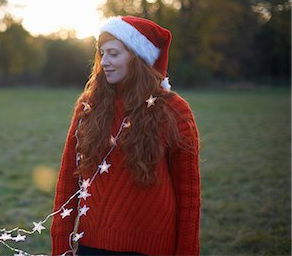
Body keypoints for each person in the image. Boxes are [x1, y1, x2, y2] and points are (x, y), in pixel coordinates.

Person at [51, 16, 201, 255]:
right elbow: (68, 182)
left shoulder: (174, 111)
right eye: (102, 54)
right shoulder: (89, 107)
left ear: (137, 57)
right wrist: (60, 247)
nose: (105, 62)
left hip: (152, 249)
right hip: (92, 246)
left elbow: (189, 197)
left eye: (114, 53)